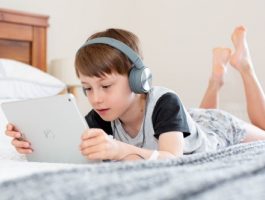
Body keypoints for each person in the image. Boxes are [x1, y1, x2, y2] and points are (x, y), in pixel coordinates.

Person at [5, 26, 265, 162]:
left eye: (106, 86)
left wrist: (119, 149)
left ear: (138, 78)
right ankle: (216, 80)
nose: (95, 98)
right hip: (188, 124)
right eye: (87, 89)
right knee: (196, 118)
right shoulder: (100, 115)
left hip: (217, 129)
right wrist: (31, 144)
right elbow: (73, 152)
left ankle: (244, 66)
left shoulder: (166, 101)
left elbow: (172, 158)